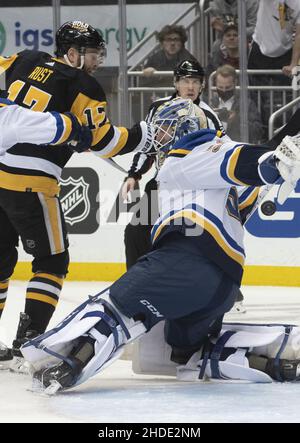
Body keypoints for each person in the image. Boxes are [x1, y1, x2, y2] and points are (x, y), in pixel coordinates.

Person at [21, 98, 300, 393]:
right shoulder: (218, 178)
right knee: (181, 352)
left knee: (114, 307)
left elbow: (234, 159)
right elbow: (245, 185)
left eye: (166, 130)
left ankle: (59, 362)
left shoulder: (188, 152)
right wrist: (274, 165)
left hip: (186, 261)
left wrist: (270, 162)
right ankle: (270, 360)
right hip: (224, 287)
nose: (160, 138)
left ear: (187, 128)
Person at [0, 20, 154, 371]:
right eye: (93, 53)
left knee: (0, 262)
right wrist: (141, 136)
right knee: (52, 264)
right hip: (35, 182)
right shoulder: (83, 83)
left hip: (0, 174)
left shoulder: (25, 59)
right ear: (72, 54)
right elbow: (102, 142)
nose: (98, 60)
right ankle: (29, 342)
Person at [123, 60, 223, 270]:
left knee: (198, 239)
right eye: (186, 81)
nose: (191, 87)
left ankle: (223, 287)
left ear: (202, 85)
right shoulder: (159, 109)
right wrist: (134, 174)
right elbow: (149, 147)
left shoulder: (209, 116)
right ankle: (134, 283)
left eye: (196, 81)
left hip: (193, 192)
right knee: (135, 232)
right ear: (176, 83)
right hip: (161, 186)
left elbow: (219, 154)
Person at [248, 0, 300, 138]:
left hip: (285, 52)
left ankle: (282, 137)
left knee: (282, 101)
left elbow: (299, 34)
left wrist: (293, 63)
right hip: (260, 48)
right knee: (256, 97)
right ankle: (259, 134)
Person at [211, 64, 263, 143]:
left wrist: (236, 119)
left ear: (235, 83)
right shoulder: (210, 103)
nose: (224, 91)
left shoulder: (247, 104)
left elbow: (258, 132)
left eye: (228, 87)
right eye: (220, 87)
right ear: (215, 83)